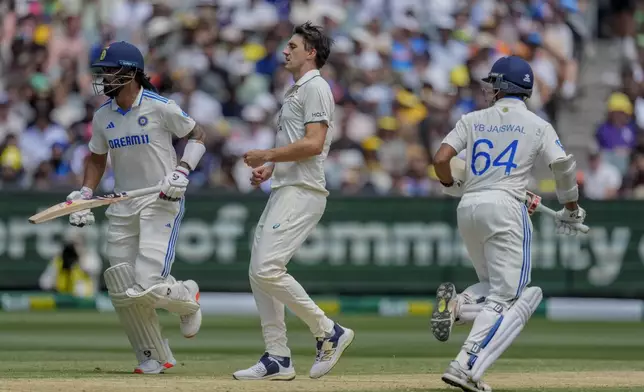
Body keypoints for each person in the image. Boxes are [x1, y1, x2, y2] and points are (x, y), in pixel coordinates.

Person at [431, 56, 587, 392]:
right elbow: (562, 168)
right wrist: (572, 209)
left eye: (493, 84)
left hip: (469, 206)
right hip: (505, 208)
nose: (488, 90)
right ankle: (465, 364)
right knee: (516, 297)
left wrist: (452, 186)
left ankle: (460, 306)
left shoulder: (472, 119)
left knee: (493, 286)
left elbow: (442, 159)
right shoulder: (538, 124)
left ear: (503, 86)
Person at [67, 41, 207, 374]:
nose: (103, 78)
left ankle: (187, 297)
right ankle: (153, 354)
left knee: (147, 282)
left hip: (161, 197)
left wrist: (182, 170)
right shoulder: (103, 116)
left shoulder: (161, 107)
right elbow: (97, 158)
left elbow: (198, 135)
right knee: (120, 284)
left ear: (130, 72)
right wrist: (85, 192)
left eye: (109, 71)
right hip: (122, 200)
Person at [233, 22, 354, 381]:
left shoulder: (315, 87)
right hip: (287, 187)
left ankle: (327, 330)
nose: (285, 51)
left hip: (304, 192)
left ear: (310, 52)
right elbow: (302, 147)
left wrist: (267, 154)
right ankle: (278, 356)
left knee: (267, 268)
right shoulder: (296, 90)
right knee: (259, 273)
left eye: (292, 46)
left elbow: (315, 143)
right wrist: (271, 168)